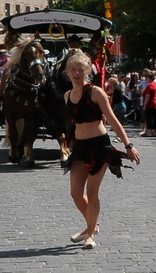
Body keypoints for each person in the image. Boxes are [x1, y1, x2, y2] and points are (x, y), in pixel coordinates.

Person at [59, 49, 140, 248]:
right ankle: (91, 226)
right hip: (79, 148)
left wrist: (128, 145)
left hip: (99, 146)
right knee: (75, 193)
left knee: (92, 192)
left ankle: (89, 235)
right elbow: (70, 125)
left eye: (80, 70)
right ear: (68, 72)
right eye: (73, 70)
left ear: (87, 71)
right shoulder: (67, 95)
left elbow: (112, 119)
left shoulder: (95, 92)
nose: (77, 73)